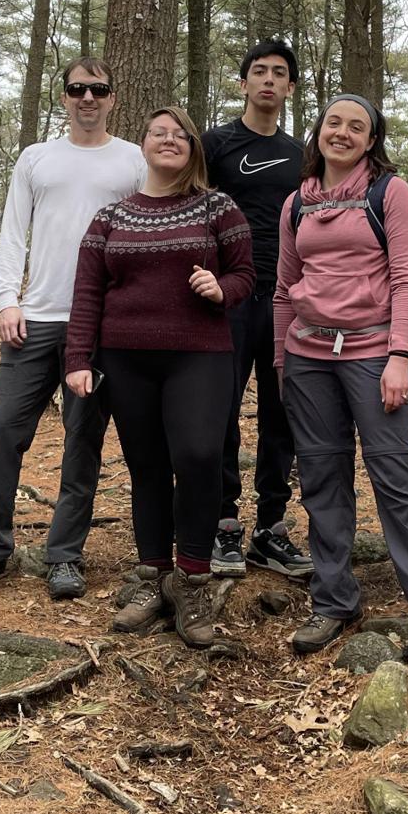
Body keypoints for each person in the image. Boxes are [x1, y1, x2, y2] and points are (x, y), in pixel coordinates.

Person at [0, 59, 145, 597]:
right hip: (35, 317)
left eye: (98, 89)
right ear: (65, 96)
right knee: (5, 426)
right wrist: (7, 300)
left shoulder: (133, 160)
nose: (88, 98)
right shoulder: (36, 157)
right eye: (77, 89)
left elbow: (143, 236)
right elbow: (13, 233)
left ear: (113, 98)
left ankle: (65, 556)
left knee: (82, 439)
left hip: (97, 325)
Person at [274, 94, 408, 663]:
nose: (342, 133)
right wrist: (282, 365)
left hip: (373, 353)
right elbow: (284, 288)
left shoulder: (390, 193)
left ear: (371, 140)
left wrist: (399, 356)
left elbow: (407, 279)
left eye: (356, 127)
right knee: (321, 479)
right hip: (307, 357)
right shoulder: (297, 203)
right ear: (318, 131)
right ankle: (333, 601)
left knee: (395, 476)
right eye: (333, 122)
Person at [64, 106, 255, 649]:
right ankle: (152, 576)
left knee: (197, 457)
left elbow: (246, 273)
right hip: (125, 357)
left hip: (200, 354)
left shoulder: (218, 207)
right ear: (143, 145)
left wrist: (221, 289)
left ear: (192, 148)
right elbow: (88, 293)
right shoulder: (110, 217)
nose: (169, 140)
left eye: (180, 135)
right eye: (158, 133)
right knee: (146, 467)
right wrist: (77, 359)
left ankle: (191, 581)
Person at [201, 39, 312, 581]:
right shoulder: (215, 144)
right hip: (227, 298)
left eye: (279, 73)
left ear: (290, 87)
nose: (269, 80)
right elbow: (191, 210)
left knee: (280, 414)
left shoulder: (303, 156)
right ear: (243, 83)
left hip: (287, 299)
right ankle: (222, 523)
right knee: (220, 410)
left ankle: (270, 528)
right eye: (260, 71)